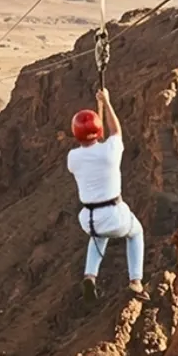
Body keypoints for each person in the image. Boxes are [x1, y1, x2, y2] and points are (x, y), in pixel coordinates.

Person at [66, 88, 147, 302]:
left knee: (98, 236)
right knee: (136, 232)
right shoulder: (110, 150)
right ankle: (136, 281)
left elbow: (93, 145)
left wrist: (96, 127)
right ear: (98, 131)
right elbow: (116, 131)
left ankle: (90, 275)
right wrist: (107, 103)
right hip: (114, 215)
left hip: (89, 218)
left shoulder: (73, 158)